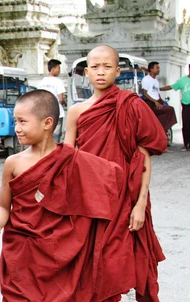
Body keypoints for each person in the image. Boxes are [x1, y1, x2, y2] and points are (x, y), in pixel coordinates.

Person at [0, 89, 124, 300]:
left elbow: (113, 178)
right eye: (15, 121)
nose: (17, 128)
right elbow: (5, 206)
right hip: (23, 250)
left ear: (47, 123)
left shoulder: (72, 160)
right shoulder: (13, 163)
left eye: (23, 121)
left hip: (61, 251)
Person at [65, 45, 168, 301]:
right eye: (96, 67)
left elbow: (143, 157)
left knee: (127, 258)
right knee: (92, 263)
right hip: (90, 199)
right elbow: (65, 158)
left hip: (127, 196)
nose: (101, 72)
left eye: (107, 67)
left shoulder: (131, 105)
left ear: (117, 71)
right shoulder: (77, 111)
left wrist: (141, 203)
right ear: (86, 72)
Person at [141, 61, 177, 139]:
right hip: (150, 103)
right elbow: (144, 93)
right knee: (170, 110)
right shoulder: (146, 79)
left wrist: (161, 102)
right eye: (157, 68)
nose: (159, 69)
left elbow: (157, 93)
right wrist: (155, 102)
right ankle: (160, 130)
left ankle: (160, 130)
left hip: (157, 102)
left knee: (169, 111)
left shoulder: (156, 81)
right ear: (151, 69)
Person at [160, 63, 190, 151]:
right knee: (186, 124)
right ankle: (186, 144)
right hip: (186, 105)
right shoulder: (182, 80)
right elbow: (171, 86)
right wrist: (158, 88)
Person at [37, 59, 67, 142]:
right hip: (57, 112)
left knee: (46, 134)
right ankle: (54, 153)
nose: (59, 71)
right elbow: (61, 99)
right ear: (53, 69)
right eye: (58, 68)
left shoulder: (41, 82)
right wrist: (65, 103)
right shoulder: (58, 82)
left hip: (44, 112)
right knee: (56, 136)